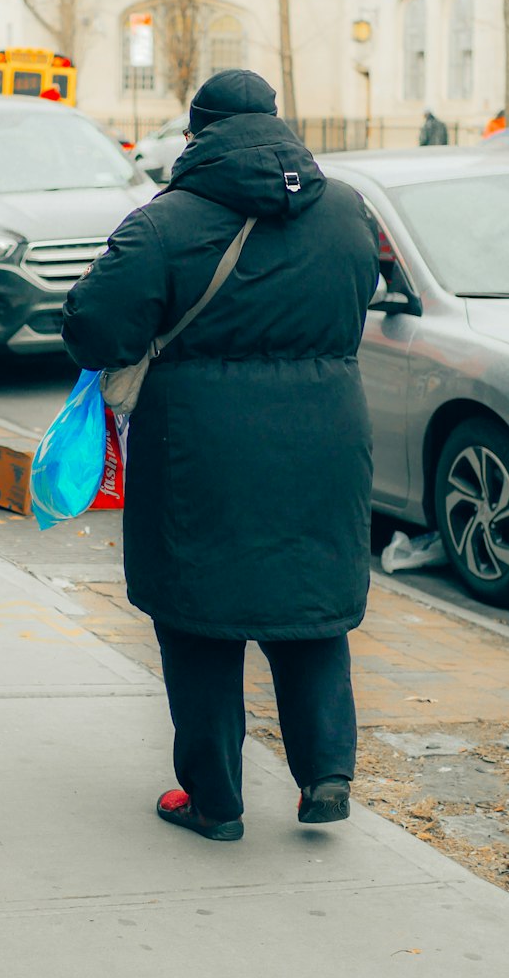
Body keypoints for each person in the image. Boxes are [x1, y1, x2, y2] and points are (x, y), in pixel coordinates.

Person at [62, 69, 380, 841]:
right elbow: (367, 288)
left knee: (199, 618)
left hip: (198, 448)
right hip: (327, 440)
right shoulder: (345, 210)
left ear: (197, 133)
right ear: (278, 121)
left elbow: (94, 329)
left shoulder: (161, 225)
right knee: (309, 604)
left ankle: (216, 801)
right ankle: (326, 773)